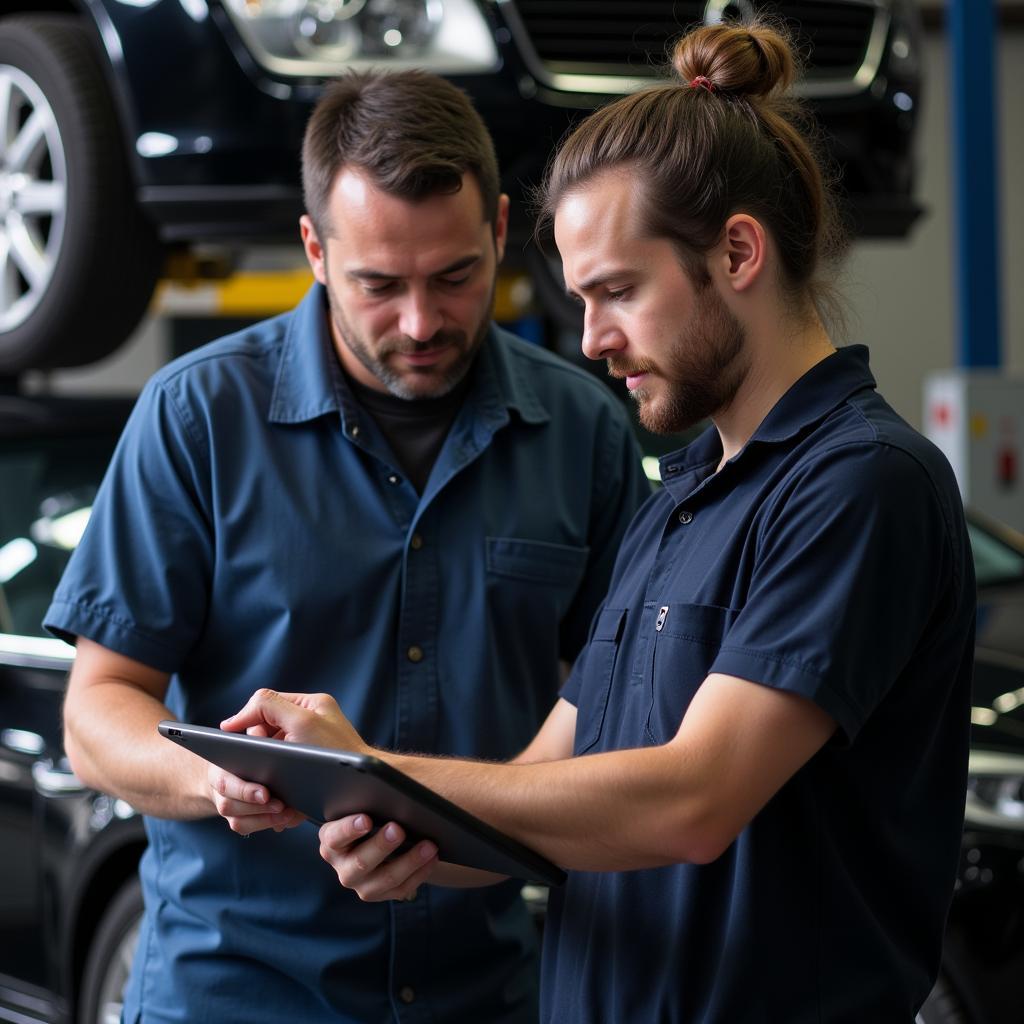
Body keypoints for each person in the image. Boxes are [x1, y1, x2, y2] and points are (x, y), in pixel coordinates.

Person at [213, 21, 977, 1024]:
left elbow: (691, 800)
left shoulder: (858, 485)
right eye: (581, 299)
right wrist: (391, 820)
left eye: (617, 291)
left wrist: (382, 768)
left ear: (737, 252)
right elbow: (542, 787)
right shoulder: (678, 500)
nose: (590, 339)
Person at [45, 71, 649, 1024]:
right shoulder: (197, 418)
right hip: (238, 995)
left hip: (485, 994)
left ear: (498, 229)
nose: (420, 323)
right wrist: (218, 778)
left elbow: (614, 712)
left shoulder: (584, 431)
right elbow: (96, 715)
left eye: (454, 277)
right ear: (315, 250)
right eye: (379, 284)